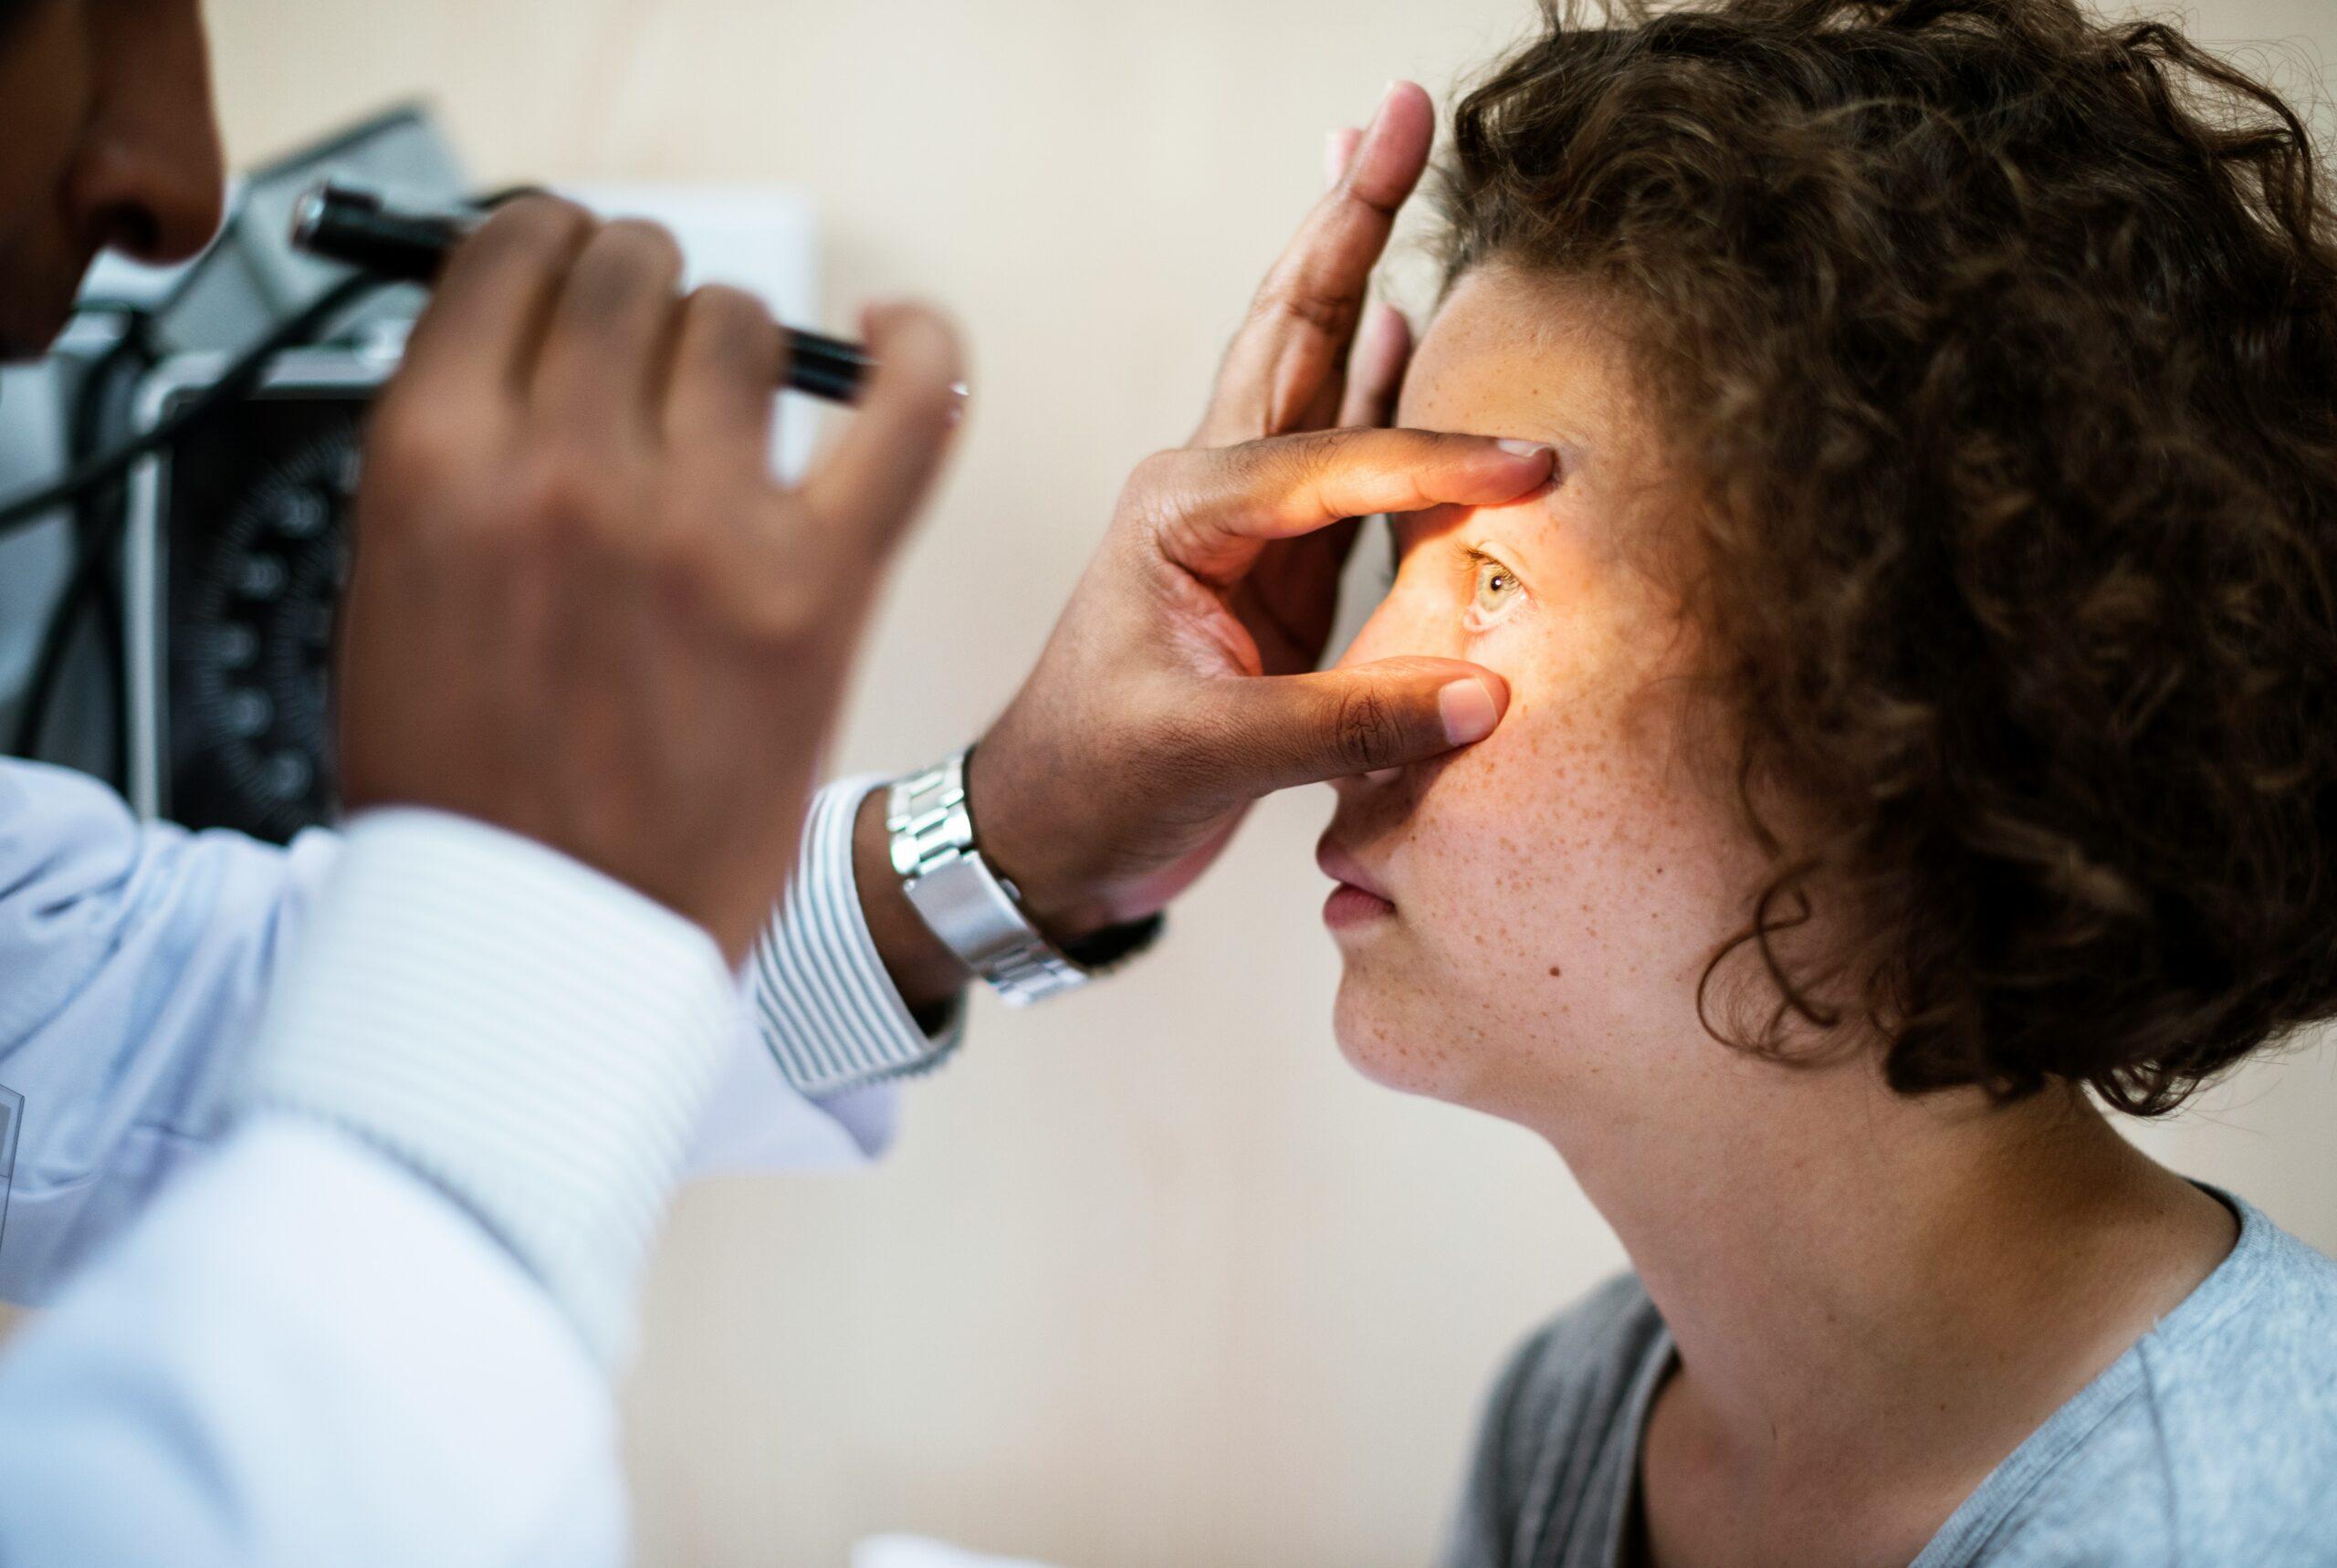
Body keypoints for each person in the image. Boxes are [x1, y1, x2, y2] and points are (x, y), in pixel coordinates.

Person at [0, 2, 1548, 1563]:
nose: (185, 188)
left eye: (1490, 584)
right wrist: (497, 887)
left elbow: (101, 1024)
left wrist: (1006, 831)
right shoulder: (1554, 1442)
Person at [1302, 1, 2337, 1563]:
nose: (1333, 703)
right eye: (1395, 567)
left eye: (1493, 582)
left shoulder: (2260, 1516)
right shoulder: (1571, 1419)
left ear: (1912, 699)